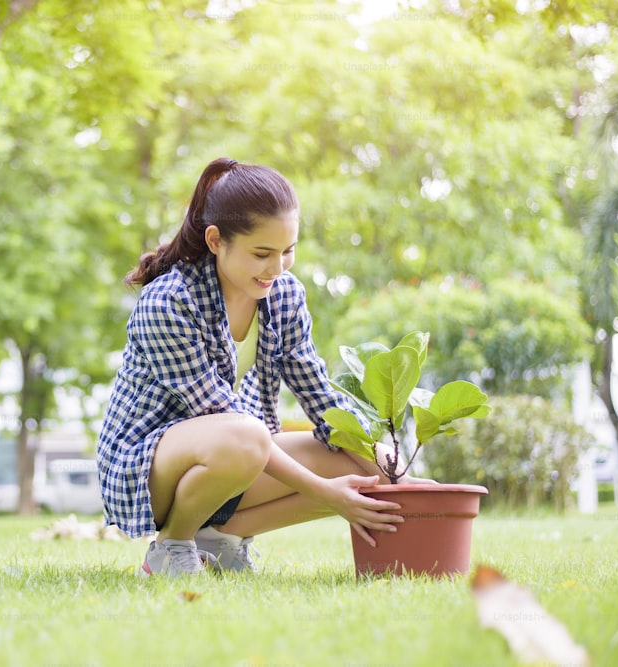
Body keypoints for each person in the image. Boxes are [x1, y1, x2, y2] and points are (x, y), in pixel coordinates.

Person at [96, 157, 417, 577]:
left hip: (234, 454)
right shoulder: (168, 302)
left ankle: (219, 540)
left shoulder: (284, 296)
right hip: (145, 469)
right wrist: (327, 495)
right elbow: (222, 418)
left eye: (288, 251)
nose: (277, 268)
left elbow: (320, 398)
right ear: (215, 241)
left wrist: (396, 472)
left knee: (355, 463)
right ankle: (170, 545)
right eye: (262, 253)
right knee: (247, 434)